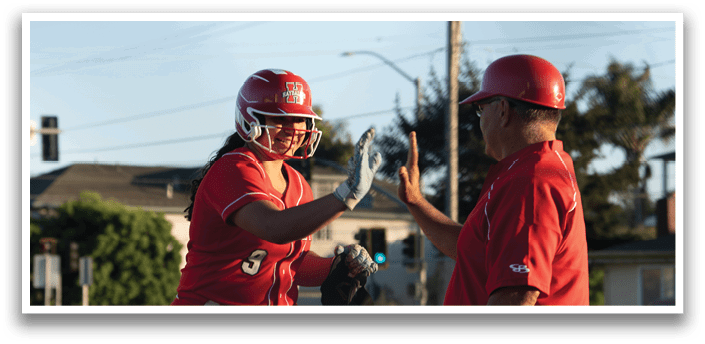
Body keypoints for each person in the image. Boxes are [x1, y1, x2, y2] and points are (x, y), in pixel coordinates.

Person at [171, 69, 382, 305]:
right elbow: (274, 227)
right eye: (280, 118)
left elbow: (292, 262)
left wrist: (336, 266)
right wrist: (345, 195)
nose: (292, 128)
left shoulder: (299, 185)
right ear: (251, 120)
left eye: (299, 119)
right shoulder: (232, 168)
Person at [397, 54, 589, 305]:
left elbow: (516, 295)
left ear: (502, 111)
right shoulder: (536, 169)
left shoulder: (532, 182)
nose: (481, 120)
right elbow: (476, 251)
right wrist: (416, 202)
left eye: (480, 109)